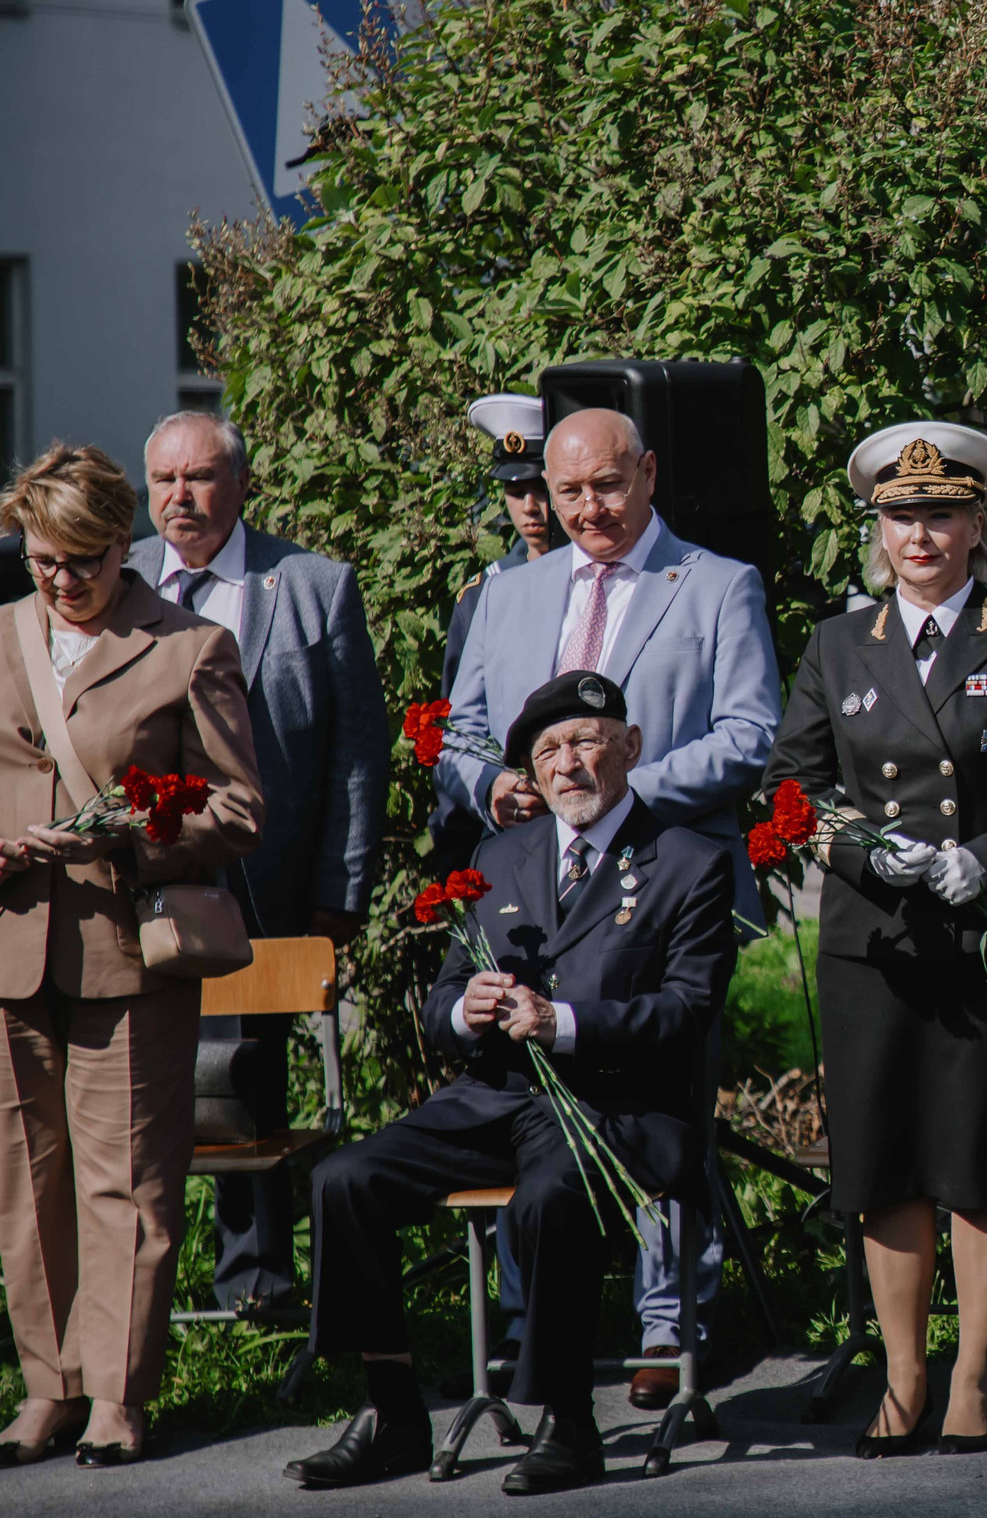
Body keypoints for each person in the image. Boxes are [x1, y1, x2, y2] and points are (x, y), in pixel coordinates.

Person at [286, 671, 737, 1495]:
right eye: (549, 752)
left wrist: (560, 1022)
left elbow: (687, 1013)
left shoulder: (688, 863)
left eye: (587, 743)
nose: (568, 765)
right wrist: (469, 1007)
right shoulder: (501, 855)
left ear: (629, 749)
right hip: (496, 1097)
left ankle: (569, 1422)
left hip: (619, 1104)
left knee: (550, 1196)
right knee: (342, 1179)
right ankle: (391, 1410)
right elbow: (440, 1005)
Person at [765, 421, 987, 1452]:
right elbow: (795, 785)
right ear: (880, 530)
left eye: (940, 513)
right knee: (888, 1157)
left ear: (975, 525)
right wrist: (868, 853)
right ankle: (903, 1373)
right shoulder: (836, 643)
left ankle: (973, 1371)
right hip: (881, 943)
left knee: (982, 1153)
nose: (921, 533)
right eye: (902, 516)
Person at [442, 406, 781, 1404]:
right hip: (532, 893)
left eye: (609, 485)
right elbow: (464, 730)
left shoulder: (716, 584)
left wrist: (610, 798)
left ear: (649, 474)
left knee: (656, 1094)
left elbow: (748, 734)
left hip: (663, 884)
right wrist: (490, 786)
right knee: (526, 1087)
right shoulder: (508, 593)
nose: (589, 508)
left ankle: (667, 1323)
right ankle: (527, 1317)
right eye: (569, 490)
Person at [0, 443, 263, 1468]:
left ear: (125, 543)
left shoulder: (189, 644)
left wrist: (133, 832)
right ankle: (48, 1385)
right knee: (25, 1181)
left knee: (128, 1183)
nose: (64, 581)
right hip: (11, 946)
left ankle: (116, 1391)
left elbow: (240, 805)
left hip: (126, 944)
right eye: (42, 560)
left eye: (85, 560)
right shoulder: (4, 634)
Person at [129, 410, 388, 1318]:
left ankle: (259, 1287)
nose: (181, 498)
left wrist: (339, 891)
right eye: (164, 481)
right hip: (140, 884)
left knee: (252, 1078)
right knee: (143, 1087)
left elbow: (356, 749)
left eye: (199, 478)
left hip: (269, 885)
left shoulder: (310, 587)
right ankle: (140, 1298)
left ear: (240, 485)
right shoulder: (116, 585)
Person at [431, 394, 555, 876]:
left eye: (541, 487)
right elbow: (460, 732)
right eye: (514, 489)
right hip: (510, 836)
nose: (530, 507)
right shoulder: (484, 593)